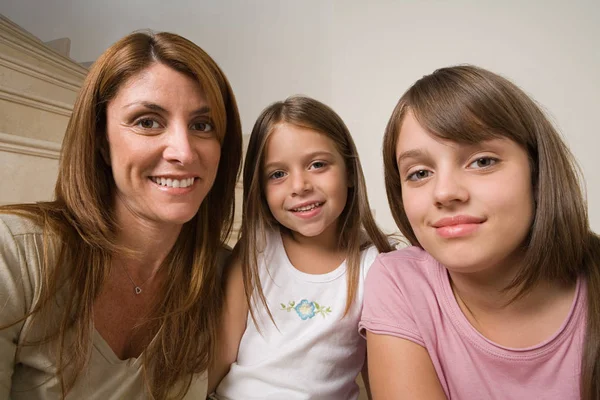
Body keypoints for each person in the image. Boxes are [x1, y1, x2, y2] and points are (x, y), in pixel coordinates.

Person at [0, 31, 242, 399]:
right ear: (100, 138)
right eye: (147, 121)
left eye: (201, 125)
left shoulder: (229, 278)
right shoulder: (15, 255)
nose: (184, 151)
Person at [360, 65, 600, 399]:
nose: (444, 193)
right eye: (419, 173)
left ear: (537, 171)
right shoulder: (399, 281)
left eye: (482, 161)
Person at [209, 96, 393, 399]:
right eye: (277, 174)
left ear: (348, 171)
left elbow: (382, 381)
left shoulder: (373, 267)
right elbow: (221, 352)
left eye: (317, 165)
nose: (299, 186)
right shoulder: (256, 248)